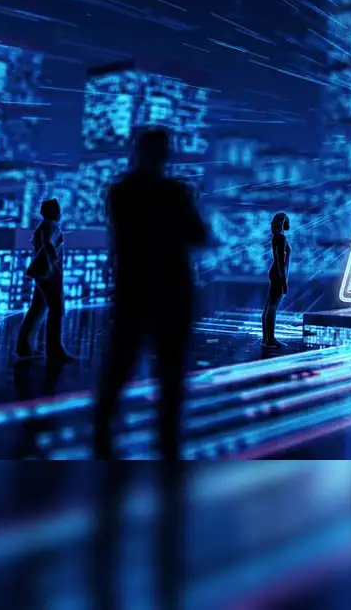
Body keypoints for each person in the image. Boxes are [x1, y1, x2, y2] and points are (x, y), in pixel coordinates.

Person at [93, 127, 209, 463]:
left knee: (119, 362)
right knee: (170, 368)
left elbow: (120, 237)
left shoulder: (120, 192)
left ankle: (103, 429)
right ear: (164, 154)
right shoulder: (176, 192)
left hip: (132, 286)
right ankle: (167, 438)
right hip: (172, 289)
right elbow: (197, 234)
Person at [16, 198, 74, 362]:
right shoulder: (52, 226)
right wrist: (54, 262)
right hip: (50, 275)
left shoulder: (41, 227)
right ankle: (55, 349)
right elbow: (49, 246)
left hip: (41, 274)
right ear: (56, 212)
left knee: (37, 309)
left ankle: (24, 347)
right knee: (56, 310)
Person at [261, 212, 291, 348]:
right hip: (278, 273)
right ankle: (270, 338)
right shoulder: (281, 238)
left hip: (276, 273)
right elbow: (280, 261)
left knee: (269, 306)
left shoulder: (277, 237)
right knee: (272, 306)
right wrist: (284, 281)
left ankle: (266, 338)